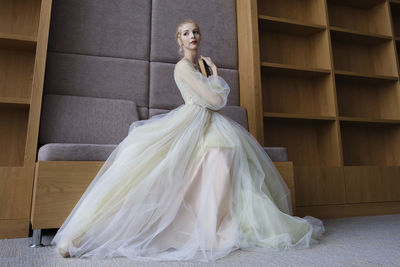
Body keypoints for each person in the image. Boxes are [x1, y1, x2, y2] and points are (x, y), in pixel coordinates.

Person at [52, 19, 324, 262]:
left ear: (200, 37)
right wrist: (216, 76)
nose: (192, 36)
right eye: (185, 33)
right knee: (156, 175)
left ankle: (211, 222)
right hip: (193, 121)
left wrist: (210, 75)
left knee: (223, 156)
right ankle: (88, 237)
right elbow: (216, 101)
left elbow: (214, 104)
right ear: (179, 40)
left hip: (208, 124)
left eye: (195, 31)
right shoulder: (183, 67)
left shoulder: (199, 66)